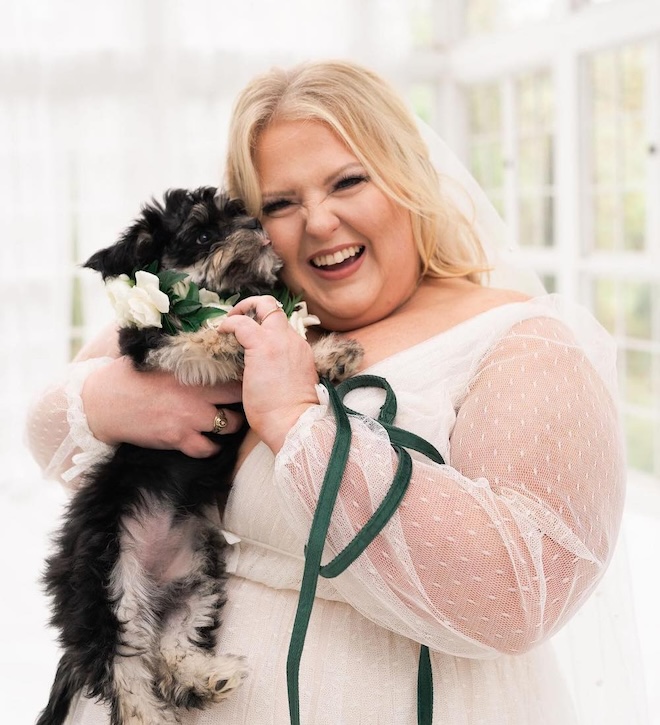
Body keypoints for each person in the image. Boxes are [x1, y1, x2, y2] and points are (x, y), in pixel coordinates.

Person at [27, 59, 634, 724]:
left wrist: (296, 420)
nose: (318, 223)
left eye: (349, 181)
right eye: (280, 204)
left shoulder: (522, 340)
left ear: (408, 180)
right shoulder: (224, 314)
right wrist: (111, 400)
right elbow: (49, 428)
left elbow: (520, 597)